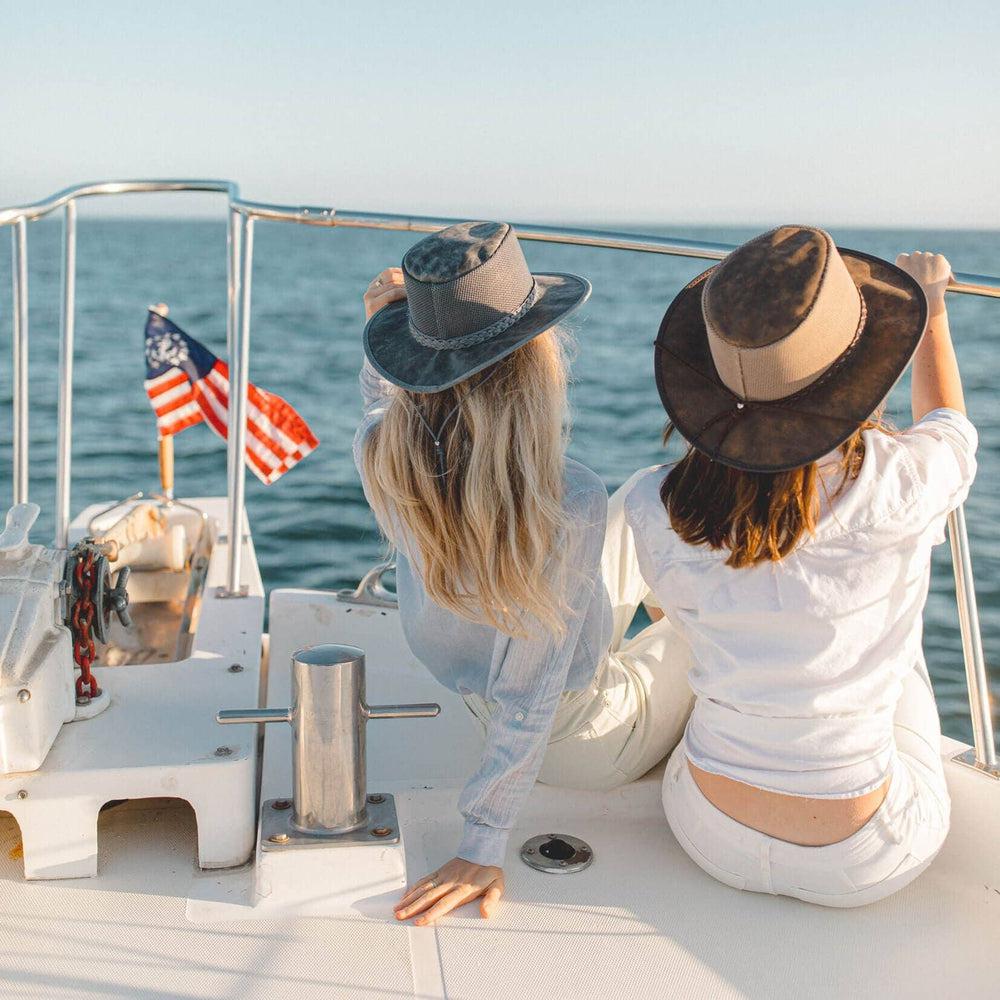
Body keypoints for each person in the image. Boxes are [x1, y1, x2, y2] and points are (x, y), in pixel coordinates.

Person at [624, 226, 975, 907]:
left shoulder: (653, 501)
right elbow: (950, 426)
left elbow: (670, 612)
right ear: (859, 368)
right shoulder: (902, 483)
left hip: (707, 829)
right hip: (866, 860)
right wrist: (932, 308)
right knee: (899, 657)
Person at [355, 221, 693, 925]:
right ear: (536, 363)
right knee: (703, 622)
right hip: (588, 740)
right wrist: (482, 842)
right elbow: (532, 690)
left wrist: (386, 330)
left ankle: (657, 624)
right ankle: (678, 651)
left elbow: (385, 406)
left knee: (641, 500)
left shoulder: (385, 456)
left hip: (470, 695)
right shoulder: (568, 498)